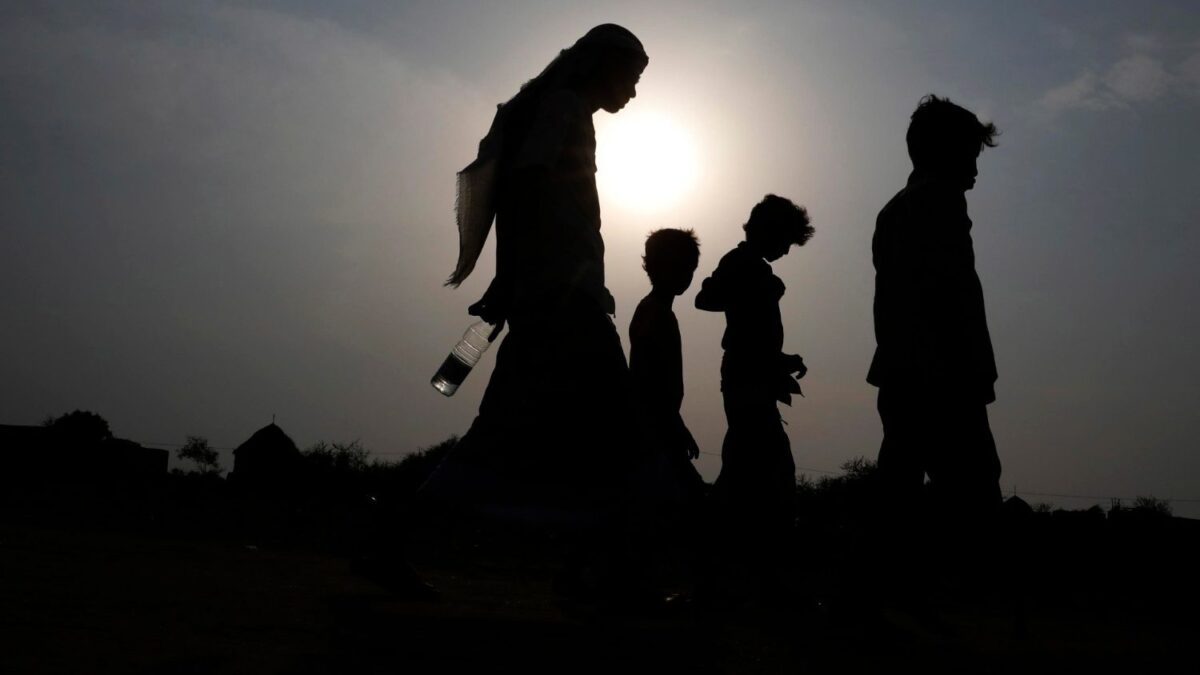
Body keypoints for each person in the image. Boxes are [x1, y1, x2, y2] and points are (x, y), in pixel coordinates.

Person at [422, 25, 649, 520]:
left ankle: (393, 535)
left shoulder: (564, 111)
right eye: (630, 77)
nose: (633, 91)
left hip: (554, 294)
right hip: (562, 297)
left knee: (498, 436)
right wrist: (509, 282)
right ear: (601, 66)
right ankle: (625, 575)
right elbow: (525, 192)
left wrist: (511, 283)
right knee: (625, 431)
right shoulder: (563, 109)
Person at [867, 94, 1002, 521]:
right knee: (974, 500)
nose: (975, 169)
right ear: (945, 151)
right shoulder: (939, 203)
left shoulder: (893, 211)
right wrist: (974, 373)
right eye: (969, 154)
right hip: (943, 379)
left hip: (902, 376)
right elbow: (953, 295)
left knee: (898, 497)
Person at [694, 195, 813, 603]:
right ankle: (741, 580)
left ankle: (735, 579)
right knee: (765, 478)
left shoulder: (751, 268)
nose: (786, 250)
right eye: (785, 240)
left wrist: (779, 359)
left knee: (748, 479)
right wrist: (750, 283)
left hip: (754, 379)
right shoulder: (743, 264)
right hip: (747, 382)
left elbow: (749, 332)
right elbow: (707, 298)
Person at [628, 228, 706, 506]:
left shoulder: (655, 311)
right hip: (653, 433)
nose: (686, 276)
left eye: (690, 269)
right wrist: (674, 427)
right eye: (681, 267)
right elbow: (648, 383)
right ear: (657, 267)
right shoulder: (655, 314)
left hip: (657, 428)